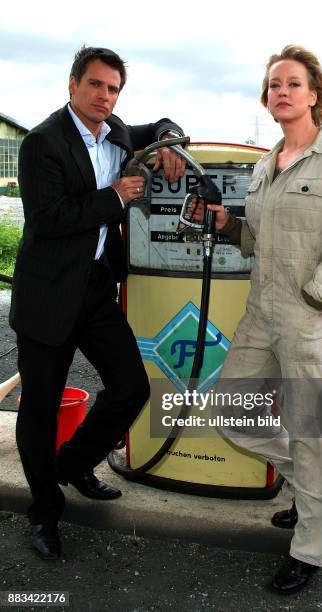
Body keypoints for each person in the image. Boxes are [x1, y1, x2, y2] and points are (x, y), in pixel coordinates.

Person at [194, 45, 322, 594]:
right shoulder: (264, 167)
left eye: (292, 83)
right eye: (274, 85)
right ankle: (312, 492)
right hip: (261, 311)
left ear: (313, 94)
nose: (281, 92)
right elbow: (257, 241)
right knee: (231, 410)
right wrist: (225, 224)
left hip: (312, 316)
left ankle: (316, 546)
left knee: (317, 432)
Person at [9, 45, 186, 560]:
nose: (104, 96)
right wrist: (116, 196)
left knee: (130, 387)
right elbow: (50, 219)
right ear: (72, 85)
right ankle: (44, 513)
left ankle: (73, 465)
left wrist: (171, 137)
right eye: (95, 85)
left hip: (93, 290)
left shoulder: (119, 133)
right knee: (39, 410)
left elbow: (157, 127)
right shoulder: (43, 142)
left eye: (113, 88)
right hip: (47, 294)